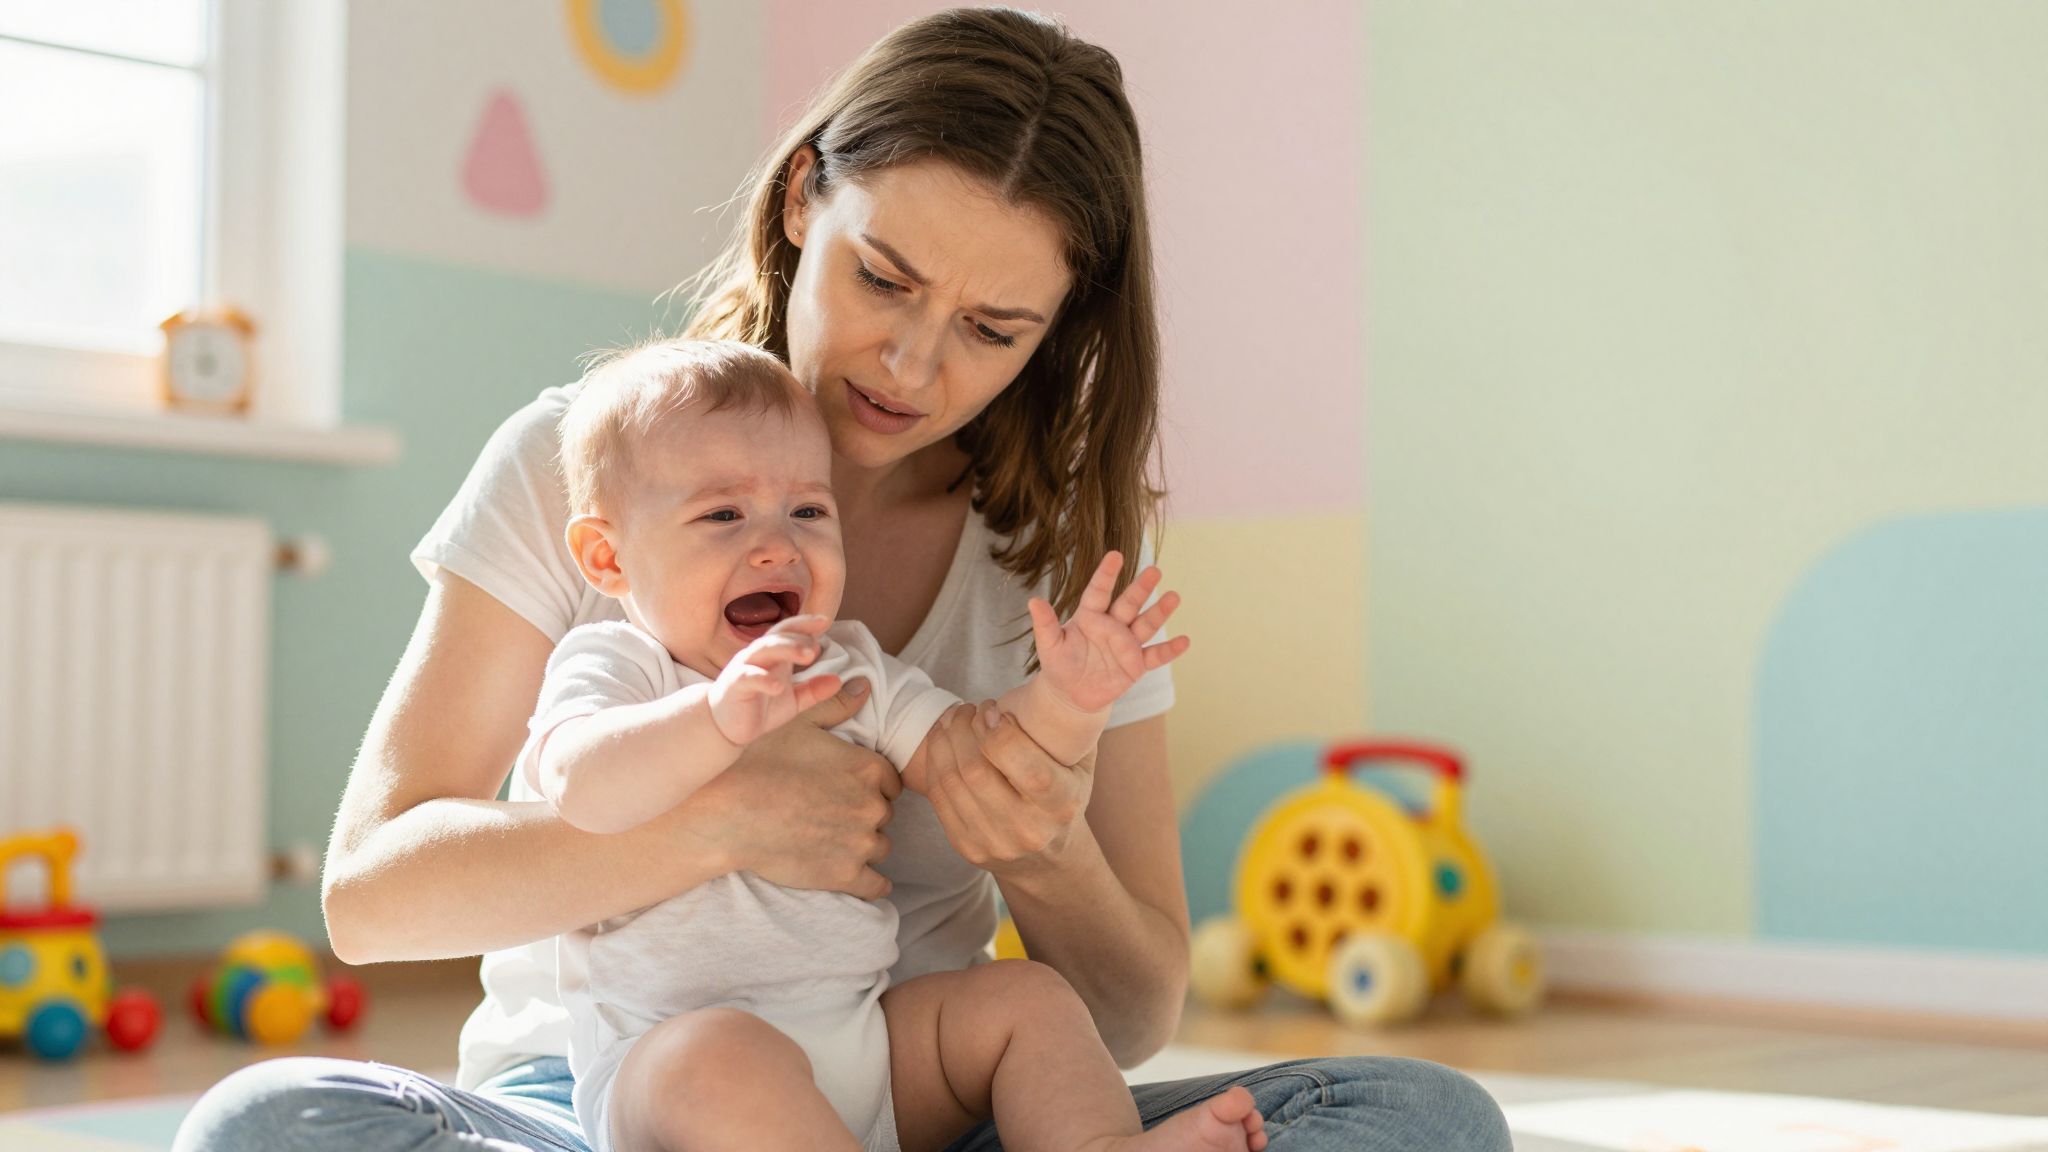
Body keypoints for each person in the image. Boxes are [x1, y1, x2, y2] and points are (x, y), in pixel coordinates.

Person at [173, 8, 1512, 1151]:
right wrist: (720, 826)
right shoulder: (585, 468)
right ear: (803, 196)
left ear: (1058, 330)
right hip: (599, 1104)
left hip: (905, 1084)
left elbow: (1125, 1015)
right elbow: (370, 902)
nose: (912, 365)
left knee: (1420, 1116)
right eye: (883, 278)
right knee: (270, 1125)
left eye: (991, 329)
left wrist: (1042, 848)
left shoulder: (1061, 548)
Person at [522, 337, 1258, 1152]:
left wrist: (1070, 700)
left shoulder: (848, 666)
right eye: (723, 515)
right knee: (715, 1058)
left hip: (866, 1052)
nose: (777, 545)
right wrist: (714, 719)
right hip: (675, 1073)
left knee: (1027, 999)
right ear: (608, 557)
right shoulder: (618, 667)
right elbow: (580, 784)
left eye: (808, 512)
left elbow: (973, 754)